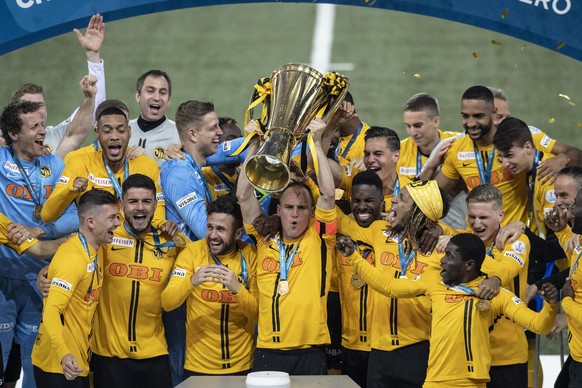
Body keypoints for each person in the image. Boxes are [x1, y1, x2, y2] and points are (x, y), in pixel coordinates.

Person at [337, 232, 558, 388]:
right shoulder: (434, 283)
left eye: (450, 256)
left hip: (470, 382)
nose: (442, 261)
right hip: (434, 380)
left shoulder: (494, 293)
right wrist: (354, 257)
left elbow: (539, 325)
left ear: (469, 265)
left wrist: (550, 305)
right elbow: (389, 287)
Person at [236, 117, 336, 374]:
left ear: (312, 213)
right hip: (268, 350)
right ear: (278, 210)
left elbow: (327, 193)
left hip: (310, 351)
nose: (294, 214)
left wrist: (314, 142)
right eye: (289, 208)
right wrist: (255, 146)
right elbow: (244, 195)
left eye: (302, 208)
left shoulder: (320, 237)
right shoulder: (264, 237)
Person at [0, 100, 79, 388]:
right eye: (33, 127)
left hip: (40, 278)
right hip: (2, 275)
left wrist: (40, 229)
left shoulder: (54, 165)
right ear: (12, 134)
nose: (42, 132)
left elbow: (74, 215)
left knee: (35, 363)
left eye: (41, 125)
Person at [31, 189, 120, 387]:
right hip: (59, 365)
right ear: (90, 222)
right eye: (112, 218)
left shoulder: (96, 248)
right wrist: (64, 353)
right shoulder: (72, 257)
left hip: (76, 361)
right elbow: (52, 311)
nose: (117, 223)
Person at [161, 195, 257, 376]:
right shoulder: (192, 252)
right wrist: (192, 282)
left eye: (221, 229)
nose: (213, 235)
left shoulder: (250, 254)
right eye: (210, 227)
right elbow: (167, 302)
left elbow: (260, 314)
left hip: (243, 366)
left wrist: (237, 289)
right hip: (198, 367)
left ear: (238, 233)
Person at [40, 99, 170, 232]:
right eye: (107, 131)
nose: (114, 136)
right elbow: (47, 215)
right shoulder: (78, 162)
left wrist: (163, 224)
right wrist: (69, 190)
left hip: (133, 245)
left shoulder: (146, 164)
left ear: (129, 132)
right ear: (97, 132)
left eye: (120, 130)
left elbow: (157, 215)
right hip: (95, 246)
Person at [7, 14, 107, 159]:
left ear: (46, 110)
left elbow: (94, 111)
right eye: (28, 106)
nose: (36, 111)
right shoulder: (5, 142)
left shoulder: (58, 135)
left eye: (39, 105)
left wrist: (93, 57)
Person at [335, 170, 383, 387]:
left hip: (382, 346)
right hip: (350, 343)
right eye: (357, 200)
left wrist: (440, 228)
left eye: (370, 200)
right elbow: (323, 197)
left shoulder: (391, 232)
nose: (362, 207)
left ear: (383, 201)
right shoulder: (345, 226)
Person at [399, 92, 465, 229]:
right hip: (413, 221)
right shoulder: (399, 151)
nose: (412, 132)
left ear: (436, 121)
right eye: (408, 126)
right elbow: (407, 199)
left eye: (418, 125)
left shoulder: (457, 144)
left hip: (453, 221)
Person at [490, 87, 582, 183]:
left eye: (508, 117)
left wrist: (563, 158)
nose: (506, 122)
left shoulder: (525, 135)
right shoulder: (473, 141)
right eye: (499, 117)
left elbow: (577, 155)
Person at [545, 185, 582, 388]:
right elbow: (575, 255)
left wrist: (566, 300)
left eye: (576, 205)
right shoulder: (580, 240)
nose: (570, 211)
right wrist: (561, 231)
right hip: (577, 353)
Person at [128, 70, 179, 166]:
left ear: (168, 100)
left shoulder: (179, 134)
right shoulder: (122, 130)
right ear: (138, 96)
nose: (157, 97)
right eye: (150, 91)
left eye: (163, 93)